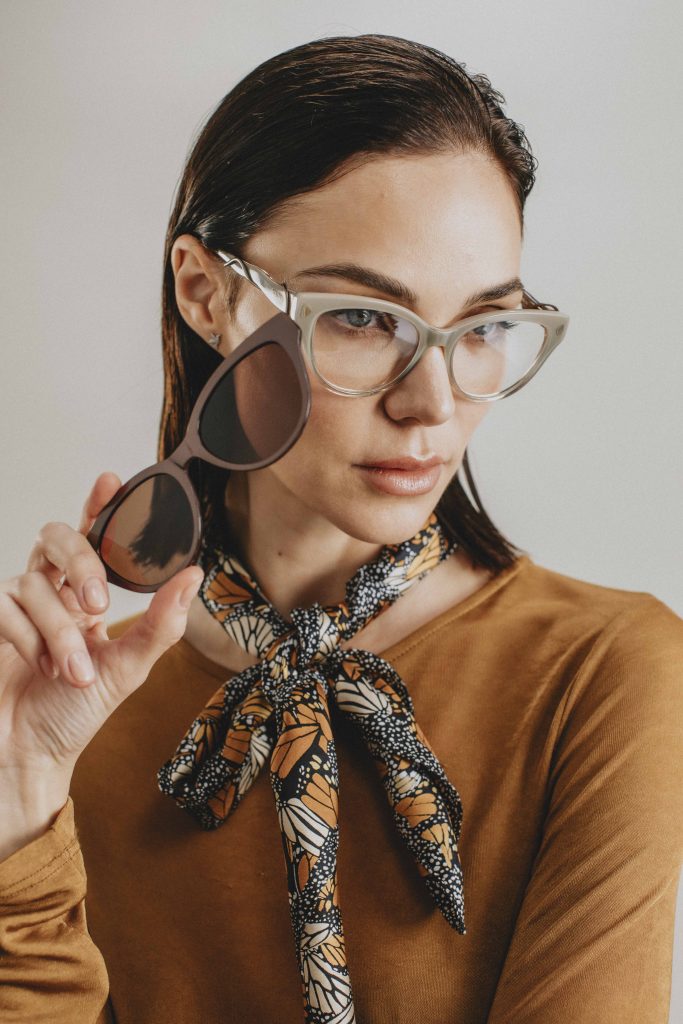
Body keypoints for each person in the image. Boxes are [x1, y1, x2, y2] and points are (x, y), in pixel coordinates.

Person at [0, 32, 681, 1024]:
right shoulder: (70, 714)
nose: (430, 402)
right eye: (363, 318)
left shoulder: (601, 674)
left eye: (484, 325)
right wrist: (20, 819)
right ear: (206, 291)